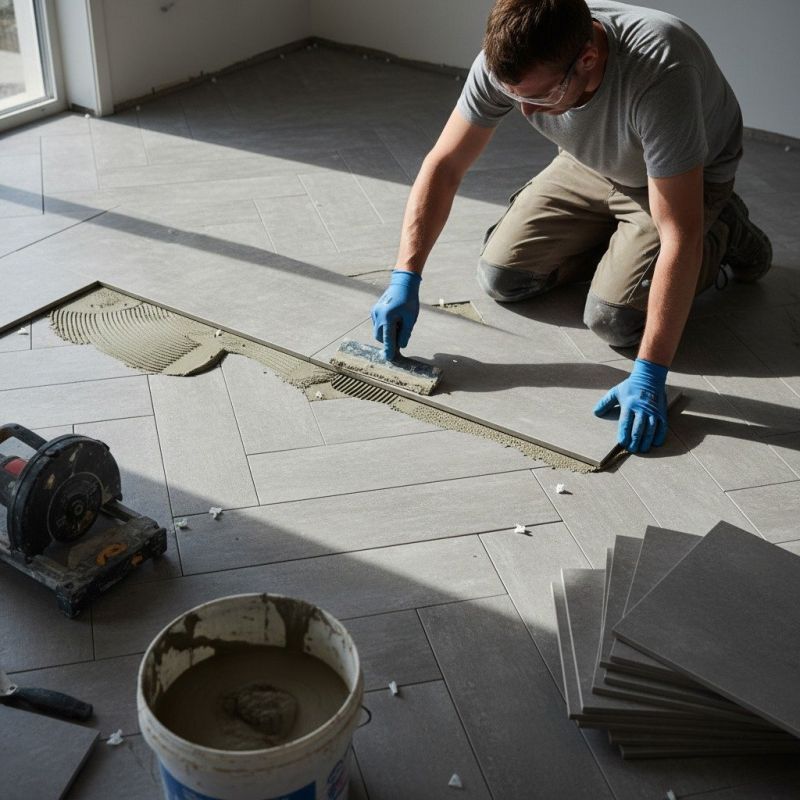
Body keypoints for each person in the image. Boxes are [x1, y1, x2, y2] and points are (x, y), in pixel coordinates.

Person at [370, 0, 772, 454]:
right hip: (593, 163)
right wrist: (406, 274)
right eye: (514, 95)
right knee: (504, 277)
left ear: (587, 59)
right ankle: (624, 245)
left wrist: (651, 371)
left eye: (538, 98)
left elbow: (679, 234)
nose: (524, 112)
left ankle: (727, 228)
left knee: (615, 319)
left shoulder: (661, 72)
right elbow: (444, 165)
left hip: (683, 180)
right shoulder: (511, 58)